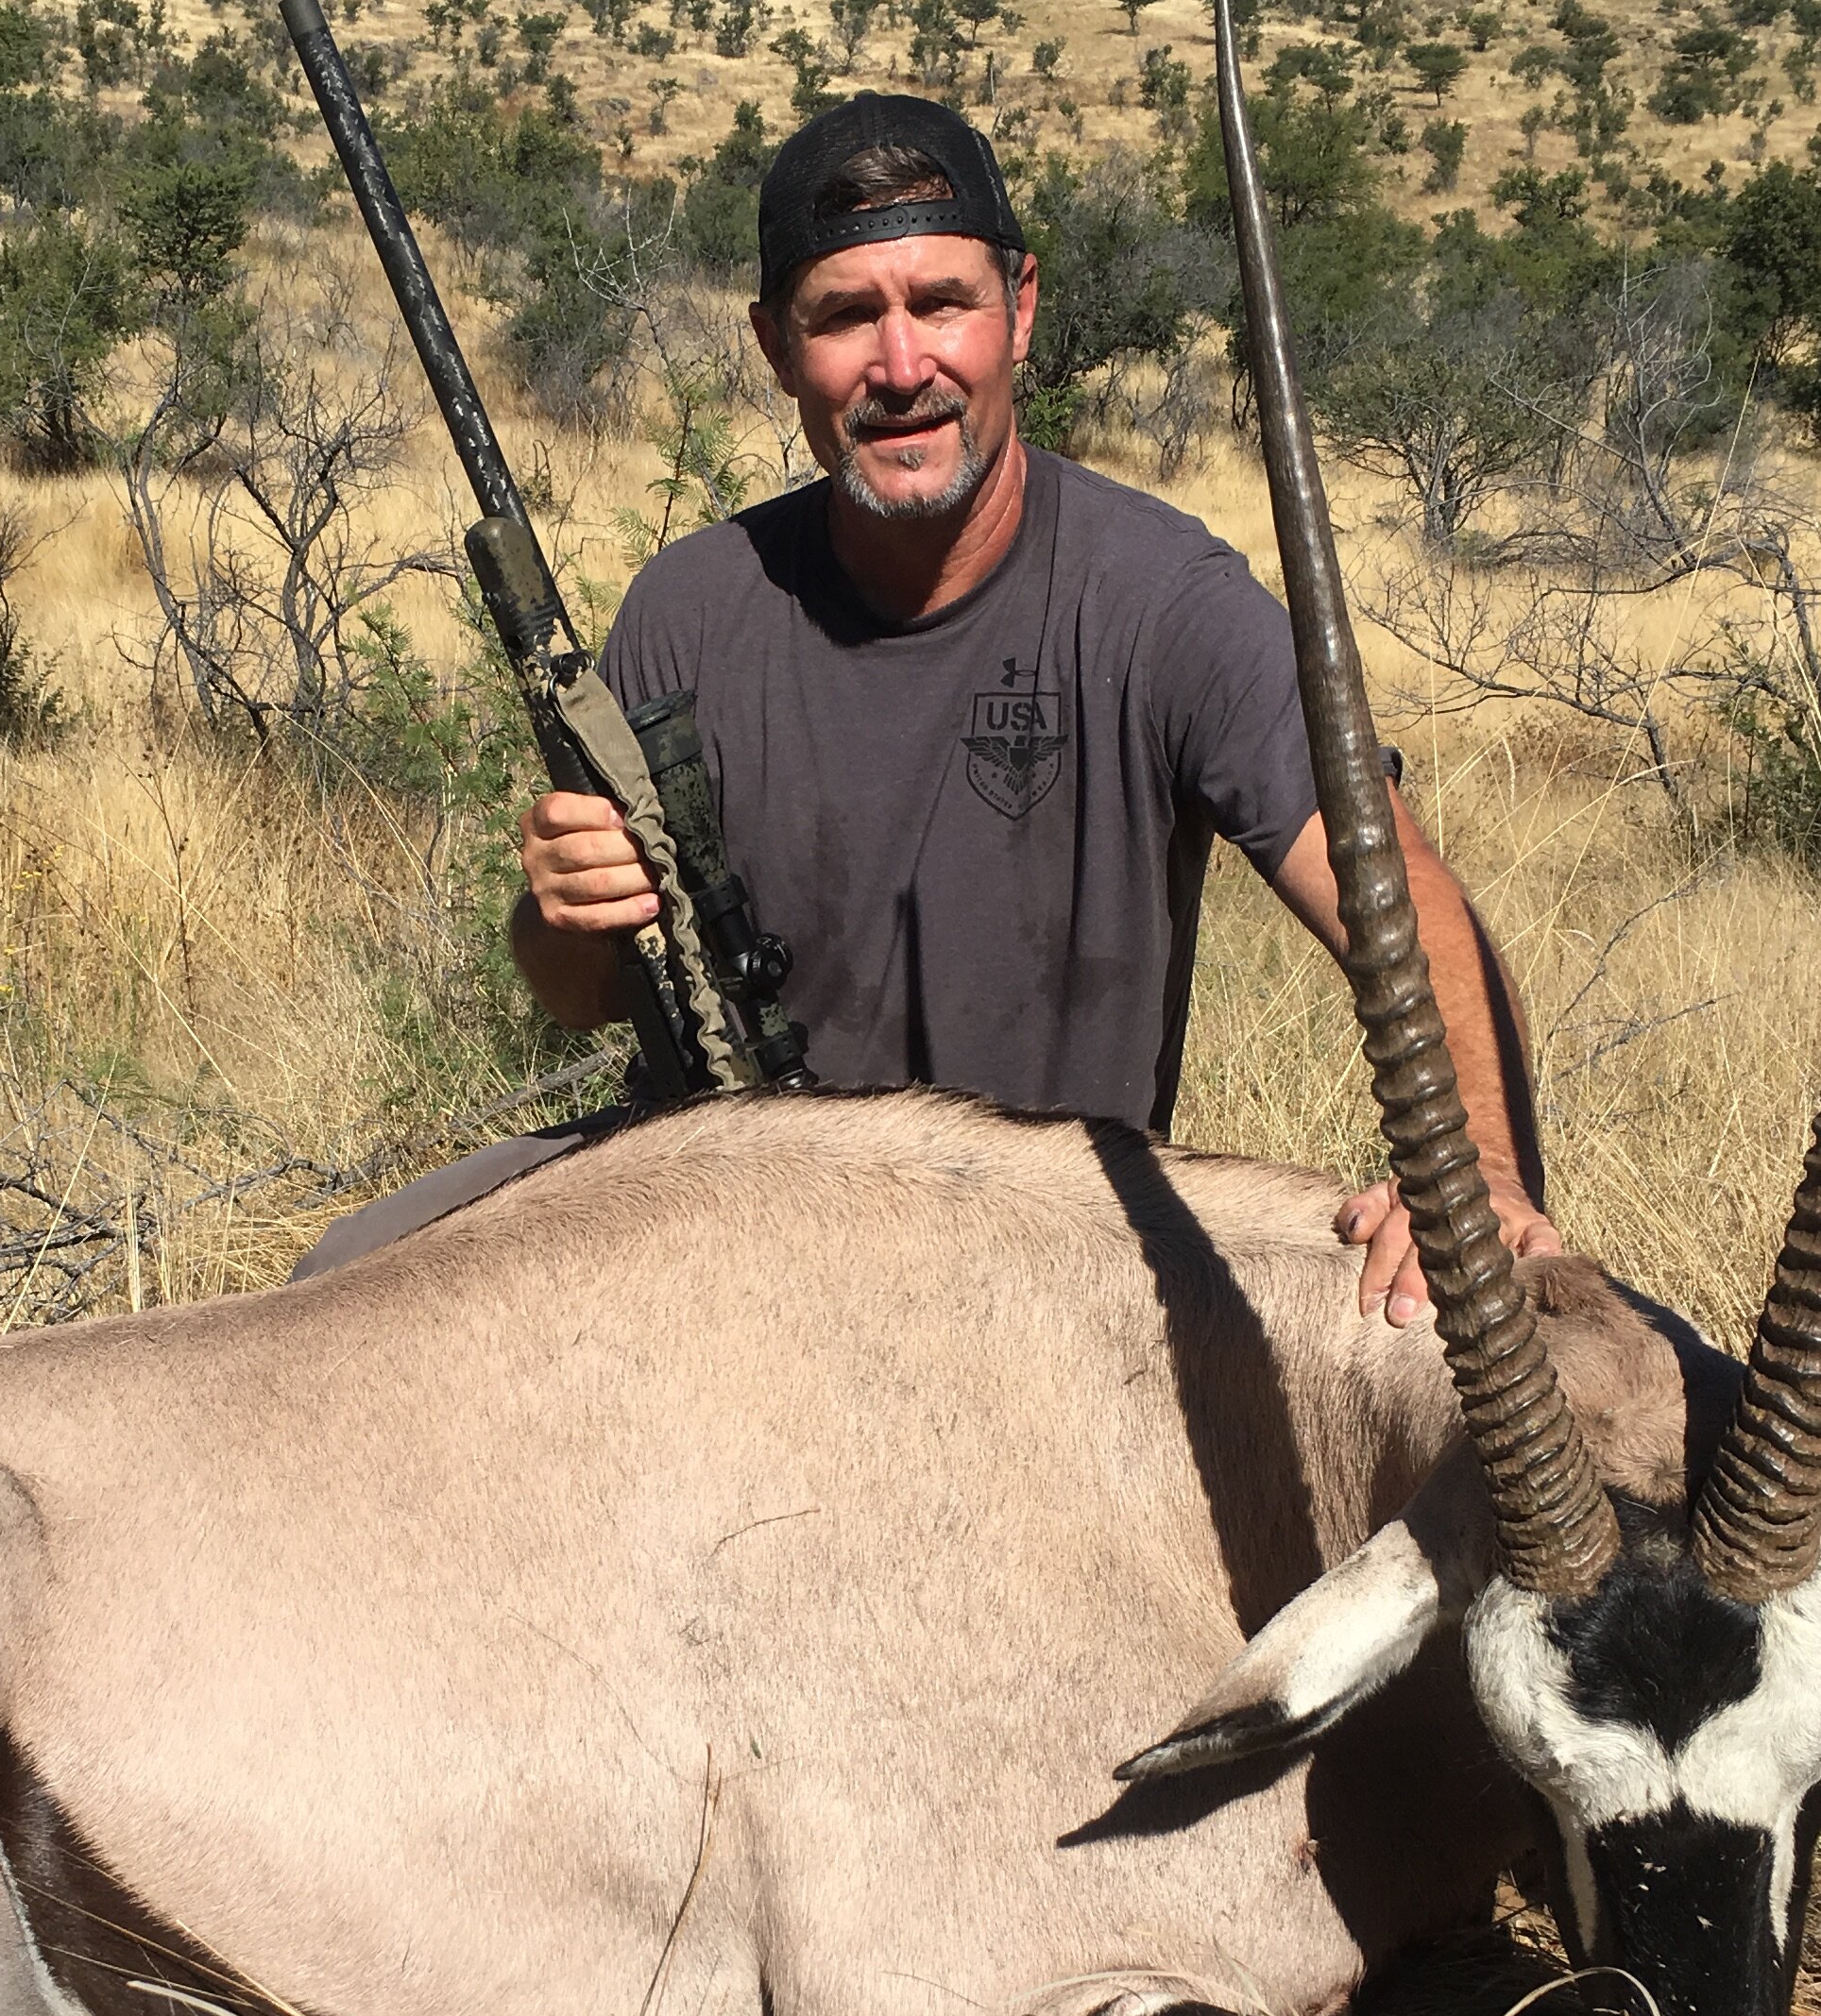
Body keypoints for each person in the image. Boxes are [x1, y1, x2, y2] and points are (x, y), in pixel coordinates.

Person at [295, 92, 1555, 1307]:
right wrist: (563, 912)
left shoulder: (1166, 600)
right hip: (708, 1209)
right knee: (335, 1283)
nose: (903, 366)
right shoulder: (689, 606)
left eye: (942, 303)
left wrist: (1484, 1180)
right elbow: (580, 991)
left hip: (1038, 1264)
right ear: (777, 348)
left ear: (1019, 309)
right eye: (847, 315)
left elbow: (1397, 895)